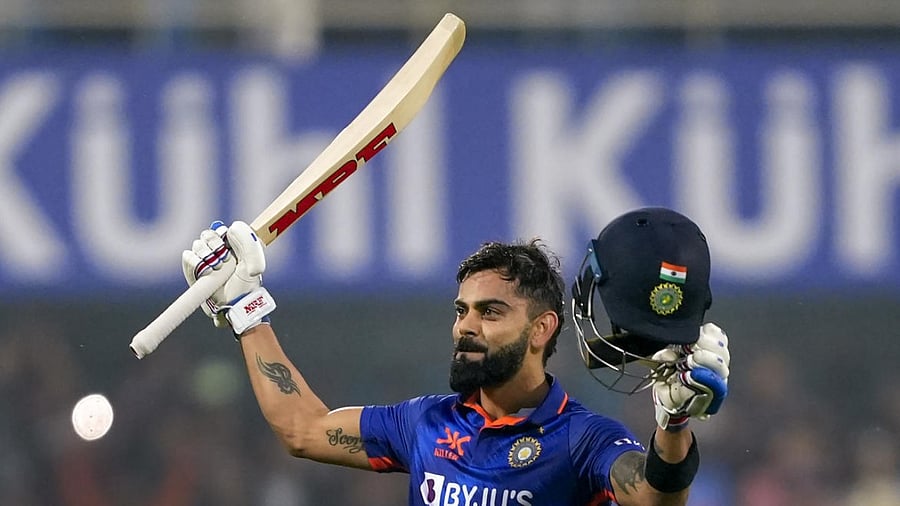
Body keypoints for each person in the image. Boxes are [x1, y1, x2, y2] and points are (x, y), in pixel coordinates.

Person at [181, 207, 730, 506]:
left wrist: (673, 422)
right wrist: (245, 310)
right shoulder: (423, 424)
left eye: (490, 312)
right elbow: (303, 429)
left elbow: (655, 499)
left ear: (541, 329)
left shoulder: (582, 439)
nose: (466, 325)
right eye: (461, 310)